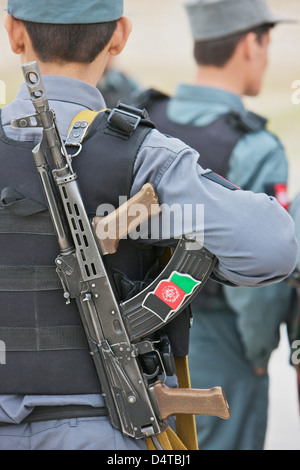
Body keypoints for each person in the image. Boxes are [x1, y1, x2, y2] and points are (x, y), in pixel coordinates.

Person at [0, 0, 297, 451]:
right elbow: (273, 246)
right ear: (119, 37)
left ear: (13, 31)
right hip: (105, 434)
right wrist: (162, 219)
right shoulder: (143, 156)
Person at [132, 0, 297, 450]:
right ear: (251, 43)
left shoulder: (141, 123)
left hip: (142, 340)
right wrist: (258, 355)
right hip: (226, 345)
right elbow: (268, 283)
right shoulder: (256, 144)